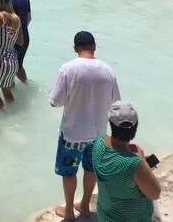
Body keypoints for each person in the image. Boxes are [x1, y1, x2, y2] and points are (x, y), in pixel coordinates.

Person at [49, 31, 121, 221]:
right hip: (98, 135)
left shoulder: (68, 69)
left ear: (75, 49)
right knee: (91, 169)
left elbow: (55, 102)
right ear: (94, 46)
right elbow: (116, 103)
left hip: (72, 134)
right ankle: (85, 206)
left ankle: (70, 212)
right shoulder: (108, 70)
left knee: (69, 172)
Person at [92, 101, 161, 221]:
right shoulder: (135, 164)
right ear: (135, 127)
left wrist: (138, 161)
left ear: (111, 124)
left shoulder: (98, 142)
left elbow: (116, 164)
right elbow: (155, 193)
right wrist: (142, 161)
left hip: (105, 215)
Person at [0, 0, 32, 83]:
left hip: (11, 41)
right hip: (25, 36)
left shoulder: (6, 1)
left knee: (8, 66)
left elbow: (5, 22)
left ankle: (9, 88)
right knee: (18, 65)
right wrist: (19, 31)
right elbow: (29, 18)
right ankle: (26, 84)